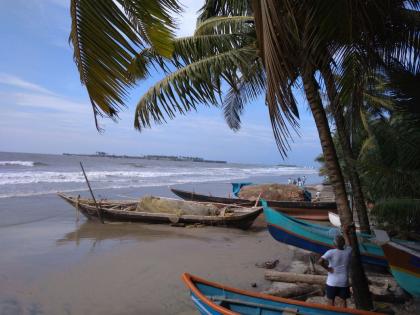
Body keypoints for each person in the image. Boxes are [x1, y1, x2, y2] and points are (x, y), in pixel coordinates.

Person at [318, 225, 353, 307]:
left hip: (332, 282)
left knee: (330, 302)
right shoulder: (348, 252)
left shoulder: (330, 252)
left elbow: (320, 261)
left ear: (334, 243)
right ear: (343, 244)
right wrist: (345, 233)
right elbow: (349, 244)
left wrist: (327, 268)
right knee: (343, 302)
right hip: (343, 282)